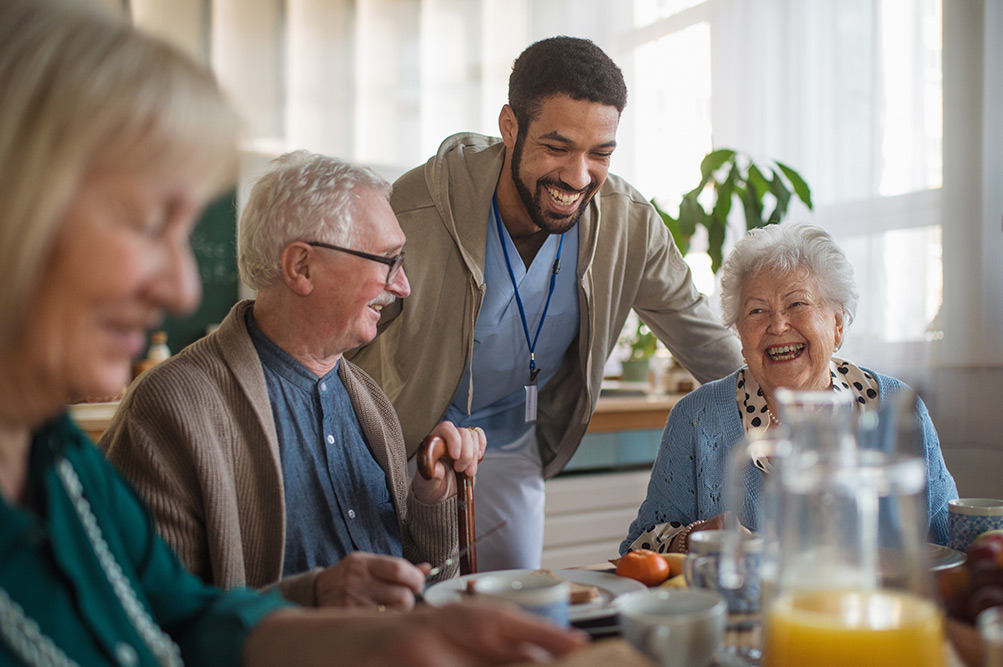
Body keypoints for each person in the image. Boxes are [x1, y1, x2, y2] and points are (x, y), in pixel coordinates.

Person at [0, 1, 586, 663]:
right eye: (141, 221)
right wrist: (325, 602)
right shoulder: (171, 408)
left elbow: (181, 613)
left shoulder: (60, 463)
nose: (183, 289)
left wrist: (407, 617)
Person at [347, 36, 745, 570]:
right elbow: (340, 340)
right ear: (510, 127)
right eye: (557, 148)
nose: (579, 177)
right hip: (404, 444)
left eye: (599, 153)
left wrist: (799, 402)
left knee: (515, 618)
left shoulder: (629, 224)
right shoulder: (415, 210)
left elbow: (706, 338)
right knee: (399, 613)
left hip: (511, 445)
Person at [101, 151, 486, 610]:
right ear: (301, 267)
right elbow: (152, 618)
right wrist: (316, 597)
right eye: (386, 260)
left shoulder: (371, 401)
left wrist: (431, 496)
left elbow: (427, 586)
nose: (402, 285)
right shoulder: (171, 409)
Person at [621, 224, 959, 554]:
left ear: (837, 324)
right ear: (739, 334)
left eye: (797, 305)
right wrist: (693, 537)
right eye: (757, 311)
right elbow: (638, 550)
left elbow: (947, 543)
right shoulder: (697, 417)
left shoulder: (895, 408)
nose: (778, 325)